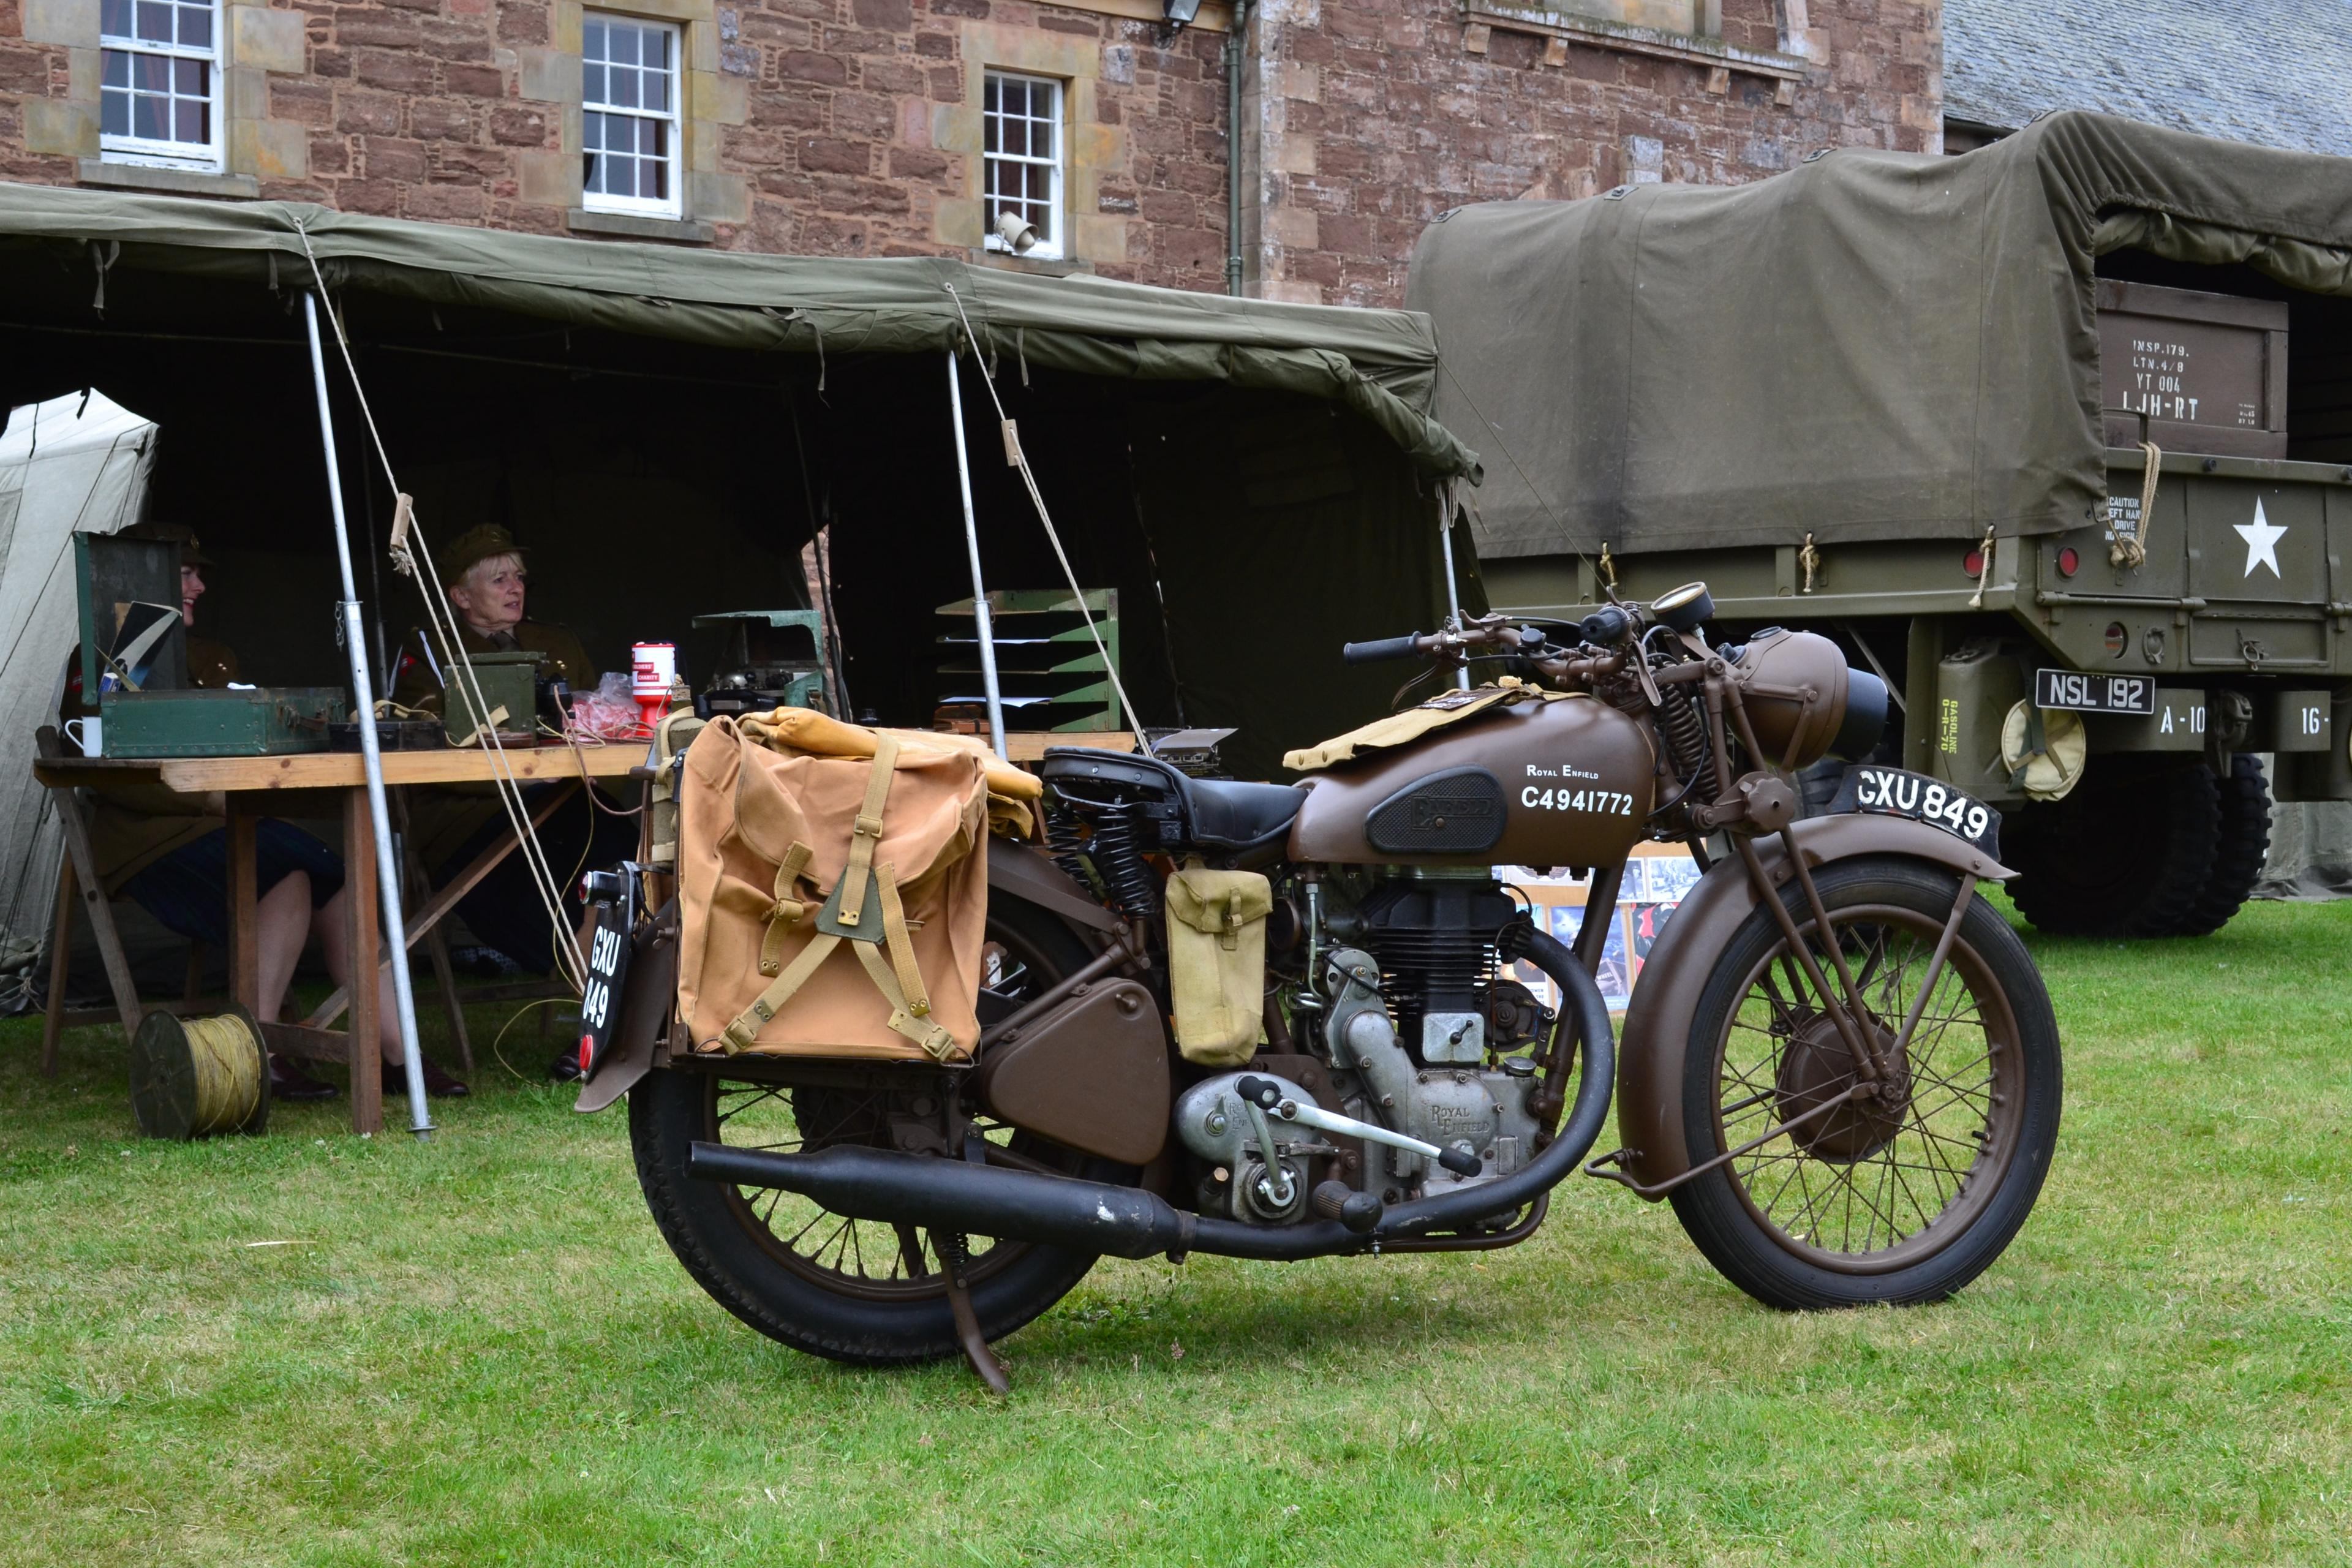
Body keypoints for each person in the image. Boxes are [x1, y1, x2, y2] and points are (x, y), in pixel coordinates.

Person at [62, 522, 467, 1100]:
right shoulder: (105, 658)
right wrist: (206, 796)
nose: (199, 586)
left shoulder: (214, 656)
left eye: (197, 575)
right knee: (292, 873)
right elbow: (99, 768)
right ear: (141, 580)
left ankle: (397, 1055)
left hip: (232, 827)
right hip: (148, 842)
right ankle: (256, 1051)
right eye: (185, 574)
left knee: (338, 879)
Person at [391, 525, 637, 1077]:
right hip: (477, 823)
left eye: (519, 577)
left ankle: (607, 1021)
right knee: (543, 889)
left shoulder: (557, 643)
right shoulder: (431, 649)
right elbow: (423, 740)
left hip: (566, 808)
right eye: (498, 578)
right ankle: (609, 1022)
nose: (515, 587)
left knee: (625, 856)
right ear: (460, 595)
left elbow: (597, 717)